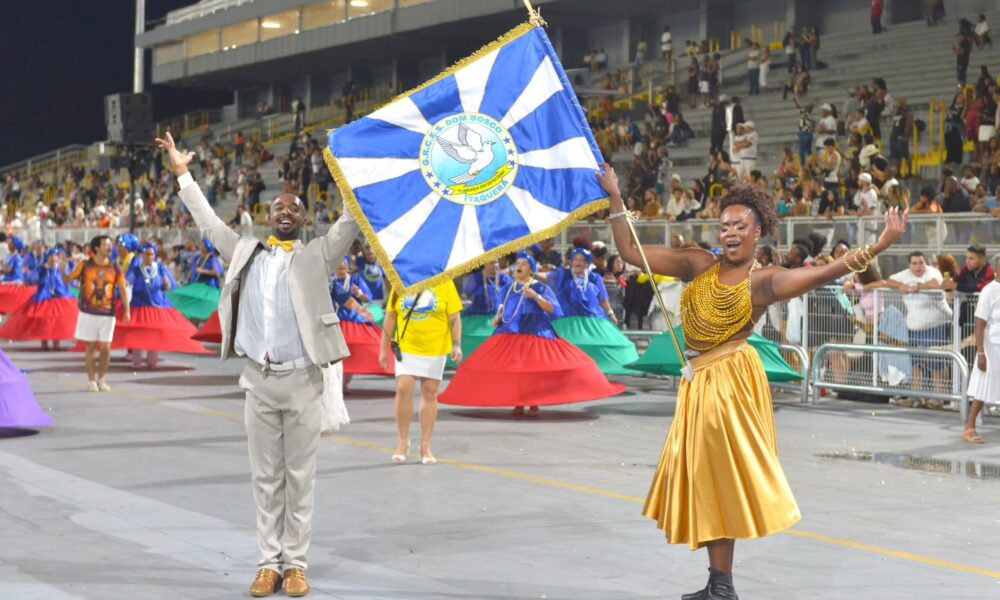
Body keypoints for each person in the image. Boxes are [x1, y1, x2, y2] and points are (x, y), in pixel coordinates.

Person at [598, 163, 906, 600]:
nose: (730, 232)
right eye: (724, 225)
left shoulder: (760, 282)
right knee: (707, 479)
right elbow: (630, 252)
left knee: (716, 476)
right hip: (699, 383)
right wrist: (615, 196)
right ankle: (719, 584)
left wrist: (878, 246)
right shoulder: (697, 264)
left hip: (729, 382)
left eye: (740, 225)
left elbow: (820, 275)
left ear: (758, 231)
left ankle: (721, 586)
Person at [157, 131, 360, 598]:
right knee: (266, 479)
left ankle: (297, 567)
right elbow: (206, 222)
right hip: (259, 382)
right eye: (278, 208)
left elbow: (350, 223)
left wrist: (348, 175)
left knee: (300, 478)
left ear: (305, 220)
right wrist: (183, 173)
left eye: (294, 209)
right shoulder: (244, 251)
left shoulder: (317, 254)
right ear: (268, 217)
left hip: (305, 381)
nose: (285, 212)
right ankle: (269, 563)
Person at [440, 252, 625, 415]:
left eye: (523, 264)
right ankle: (518, 400)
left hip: (535, 330)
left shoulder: (540, 288)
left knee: (534, 367)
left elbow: (554, 309)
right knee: (514, 367)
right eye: (517, 264)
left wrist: (535, 297)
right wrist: (498, 319)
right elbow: (503, 308)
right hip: (511, 332)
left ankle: (534, 400)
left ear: (531, 269)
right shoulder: (508, 287)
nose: (518, 266)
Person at [379, 280, 463, 465]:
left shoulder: (445, 282)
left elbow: (455, 317)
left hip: (435, 348)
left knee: (430, 393)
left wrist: (456, 344)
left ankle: (425, 445)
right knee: (403, 388)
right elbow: (391, 316)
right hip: (407, 346)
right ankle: (403, 441)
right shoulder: (400, 281)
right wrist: (383, 349)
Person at [546, 248, 640, 375]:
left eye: (581, 260)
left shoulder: (594, 277)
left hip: (592, 320)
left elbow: (603, 298)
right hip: (567, 320)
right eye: (575, 259)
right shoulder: (563, 275)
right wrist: (531, 273)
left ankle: (594, 371)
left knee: (594, 344)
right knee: (567, 345)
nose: (577, 262)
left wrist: (610, 313)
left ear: (587, 264)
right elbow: (546, 277)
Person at [117, 243, 210, 369]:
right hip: (139, 305)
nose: (149, 257)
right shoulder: (137, 268)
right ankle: (137, 362)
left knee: (154, 334)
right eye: (146, 254)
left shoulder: (160, 267)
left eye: (151, 254)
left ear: (155, 255)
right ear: (142, 255)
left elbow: (169, 285)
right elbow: (127, 282)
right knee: (138, 333)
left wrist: (166, 284)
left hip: (157, 305)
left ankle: (151, 361)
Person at [66, 235, 131, 392]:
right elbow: (69, 279)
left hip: (108, 313)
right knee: (91, 347)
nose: (109, 247)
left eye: (110, 245)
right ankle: (91, 380)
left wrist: (127, 310)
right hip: (88, 312)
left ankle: (102, 379)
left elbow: (122, 288)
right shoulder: (85, 265)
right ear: (96, 248)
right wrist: (62, 269)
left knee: (106, 348)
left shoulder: (115, 267)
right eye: (106, 245)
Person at [885, 252, 954, 394]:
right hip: (914, 327)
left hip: (937, 326)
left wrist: (917, 287)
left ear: (925, 263)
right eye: (915, 263)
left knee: (937, 364)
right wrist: (901, 286)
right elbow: (888, 281)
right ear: (909, 265)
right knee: (915, 363)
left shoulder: (932, 272)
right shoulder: (905, 274)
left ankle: (939, 399)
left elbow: (935, 283)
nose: (918, 266)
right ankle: (916, 396)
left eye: (921, 262)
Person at [0, 248, 79, 349]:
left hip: (61, 297)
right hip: (43, 297)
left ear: (58, 258)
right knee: (44, 321)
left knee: (57, 321)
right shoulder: (42, 269)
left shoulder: (63, 269)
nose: (52, 258)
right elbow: (32, 280)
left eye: (55, 256)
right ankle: (44, 341)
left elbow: (71, 281)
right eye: (50, 256)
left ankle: (56, 342)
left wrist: (77, 284)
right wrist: (23, 283)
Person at [330, 256, 390, 387]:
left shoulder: (355, 280)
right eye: (339, 264)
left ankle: (344, 383)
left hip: (353, 318)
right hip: (335, 319)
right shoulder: (330, 281)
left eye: (344, 264)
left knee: (354, 350)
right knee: (337, 352)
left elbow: (367, 298)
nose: (342, 267)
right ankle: (336, 383)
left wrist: (358, 294)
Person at [965, 254, 1000, 443]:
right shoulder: (989, 291)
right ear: (996, 269)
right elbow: (979, 324)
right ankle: (970, 427)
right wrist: (981, 353)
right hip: (991, 346)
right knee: (982, 390)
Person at [460, 260, 511, 359]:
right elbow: (466, 293)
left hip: (497, 317)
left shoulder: (504, 279)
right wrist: (464, 298)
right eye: (491, 262)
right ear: (485, 264)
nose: (494, 265)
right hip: (476, 316)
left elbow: (513, 294)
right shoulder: (476, 277)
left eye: (496, 262)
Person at [0, 236, 36, 315]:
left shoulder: (16, 257)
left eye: (10, 243)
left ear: (15, 246)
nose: (8, 244)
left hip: (14, 280)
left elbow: (8, 270)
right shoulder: (10, 255)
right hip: (8, 278)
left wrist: (2, 266)